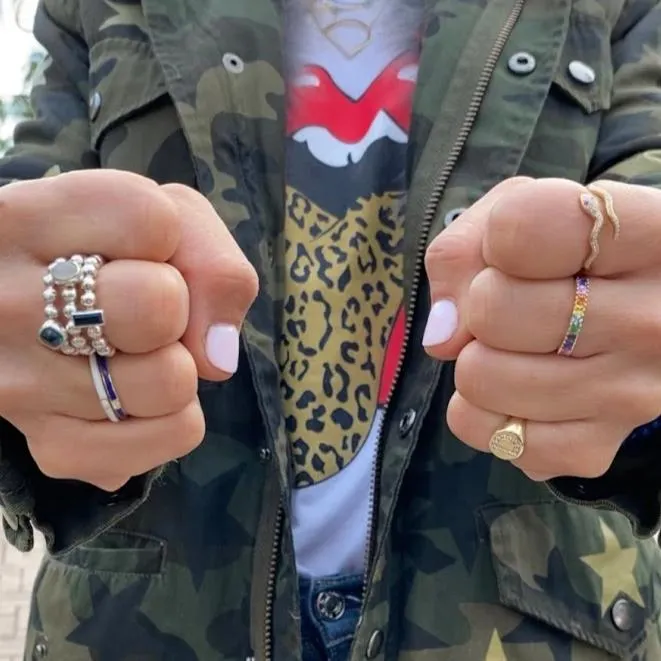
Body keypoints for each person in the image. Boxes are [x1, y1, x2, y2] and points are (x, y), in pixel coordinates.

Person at [2, 0, 661, 659]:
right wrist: (41, 362)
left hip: (532, 626)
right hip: (142, 627)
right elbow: (25, 223)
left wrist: (626, 362)